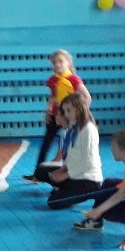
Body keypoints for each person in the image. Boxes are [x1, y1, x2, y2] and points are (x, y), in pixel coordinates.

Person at [77, 128, 125, 247]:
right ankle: (96, 219)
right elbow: (121, 192)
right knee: (109, 183)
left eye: (114, 148)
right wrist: (98, 210)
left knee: (107, 212)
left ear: (124, 153)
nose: (111, 150)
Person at [23, 49, 91, 182]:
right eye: (54, 62)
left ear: (68, 63)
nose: (57, 64)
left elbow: (87, 97)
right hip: (55, 116)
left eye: (60, 61)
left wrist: (80, 114)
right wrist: (48, 111)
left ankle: (68, 174)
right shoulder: (53, 79)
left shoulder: (74, 79)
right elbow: (53, 98)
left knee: (68, 146)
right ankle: (38, 174)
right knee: (45, 145)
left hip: (70, 118)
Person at [33, 93, 103, 210]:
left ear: (79, 109)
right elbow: (71, 157)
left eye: (68, 110)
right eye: (65, 111)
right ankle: (67, 190)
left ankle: (82, 192)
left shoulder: (88, 130)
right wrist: (61, 170)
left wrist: (65, 175)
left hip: (88, 179)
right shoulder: (74, 128)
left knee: (53, 202)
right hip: (75, 174)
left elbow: (88, 163)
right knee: (41, 171)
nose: (66, 114)